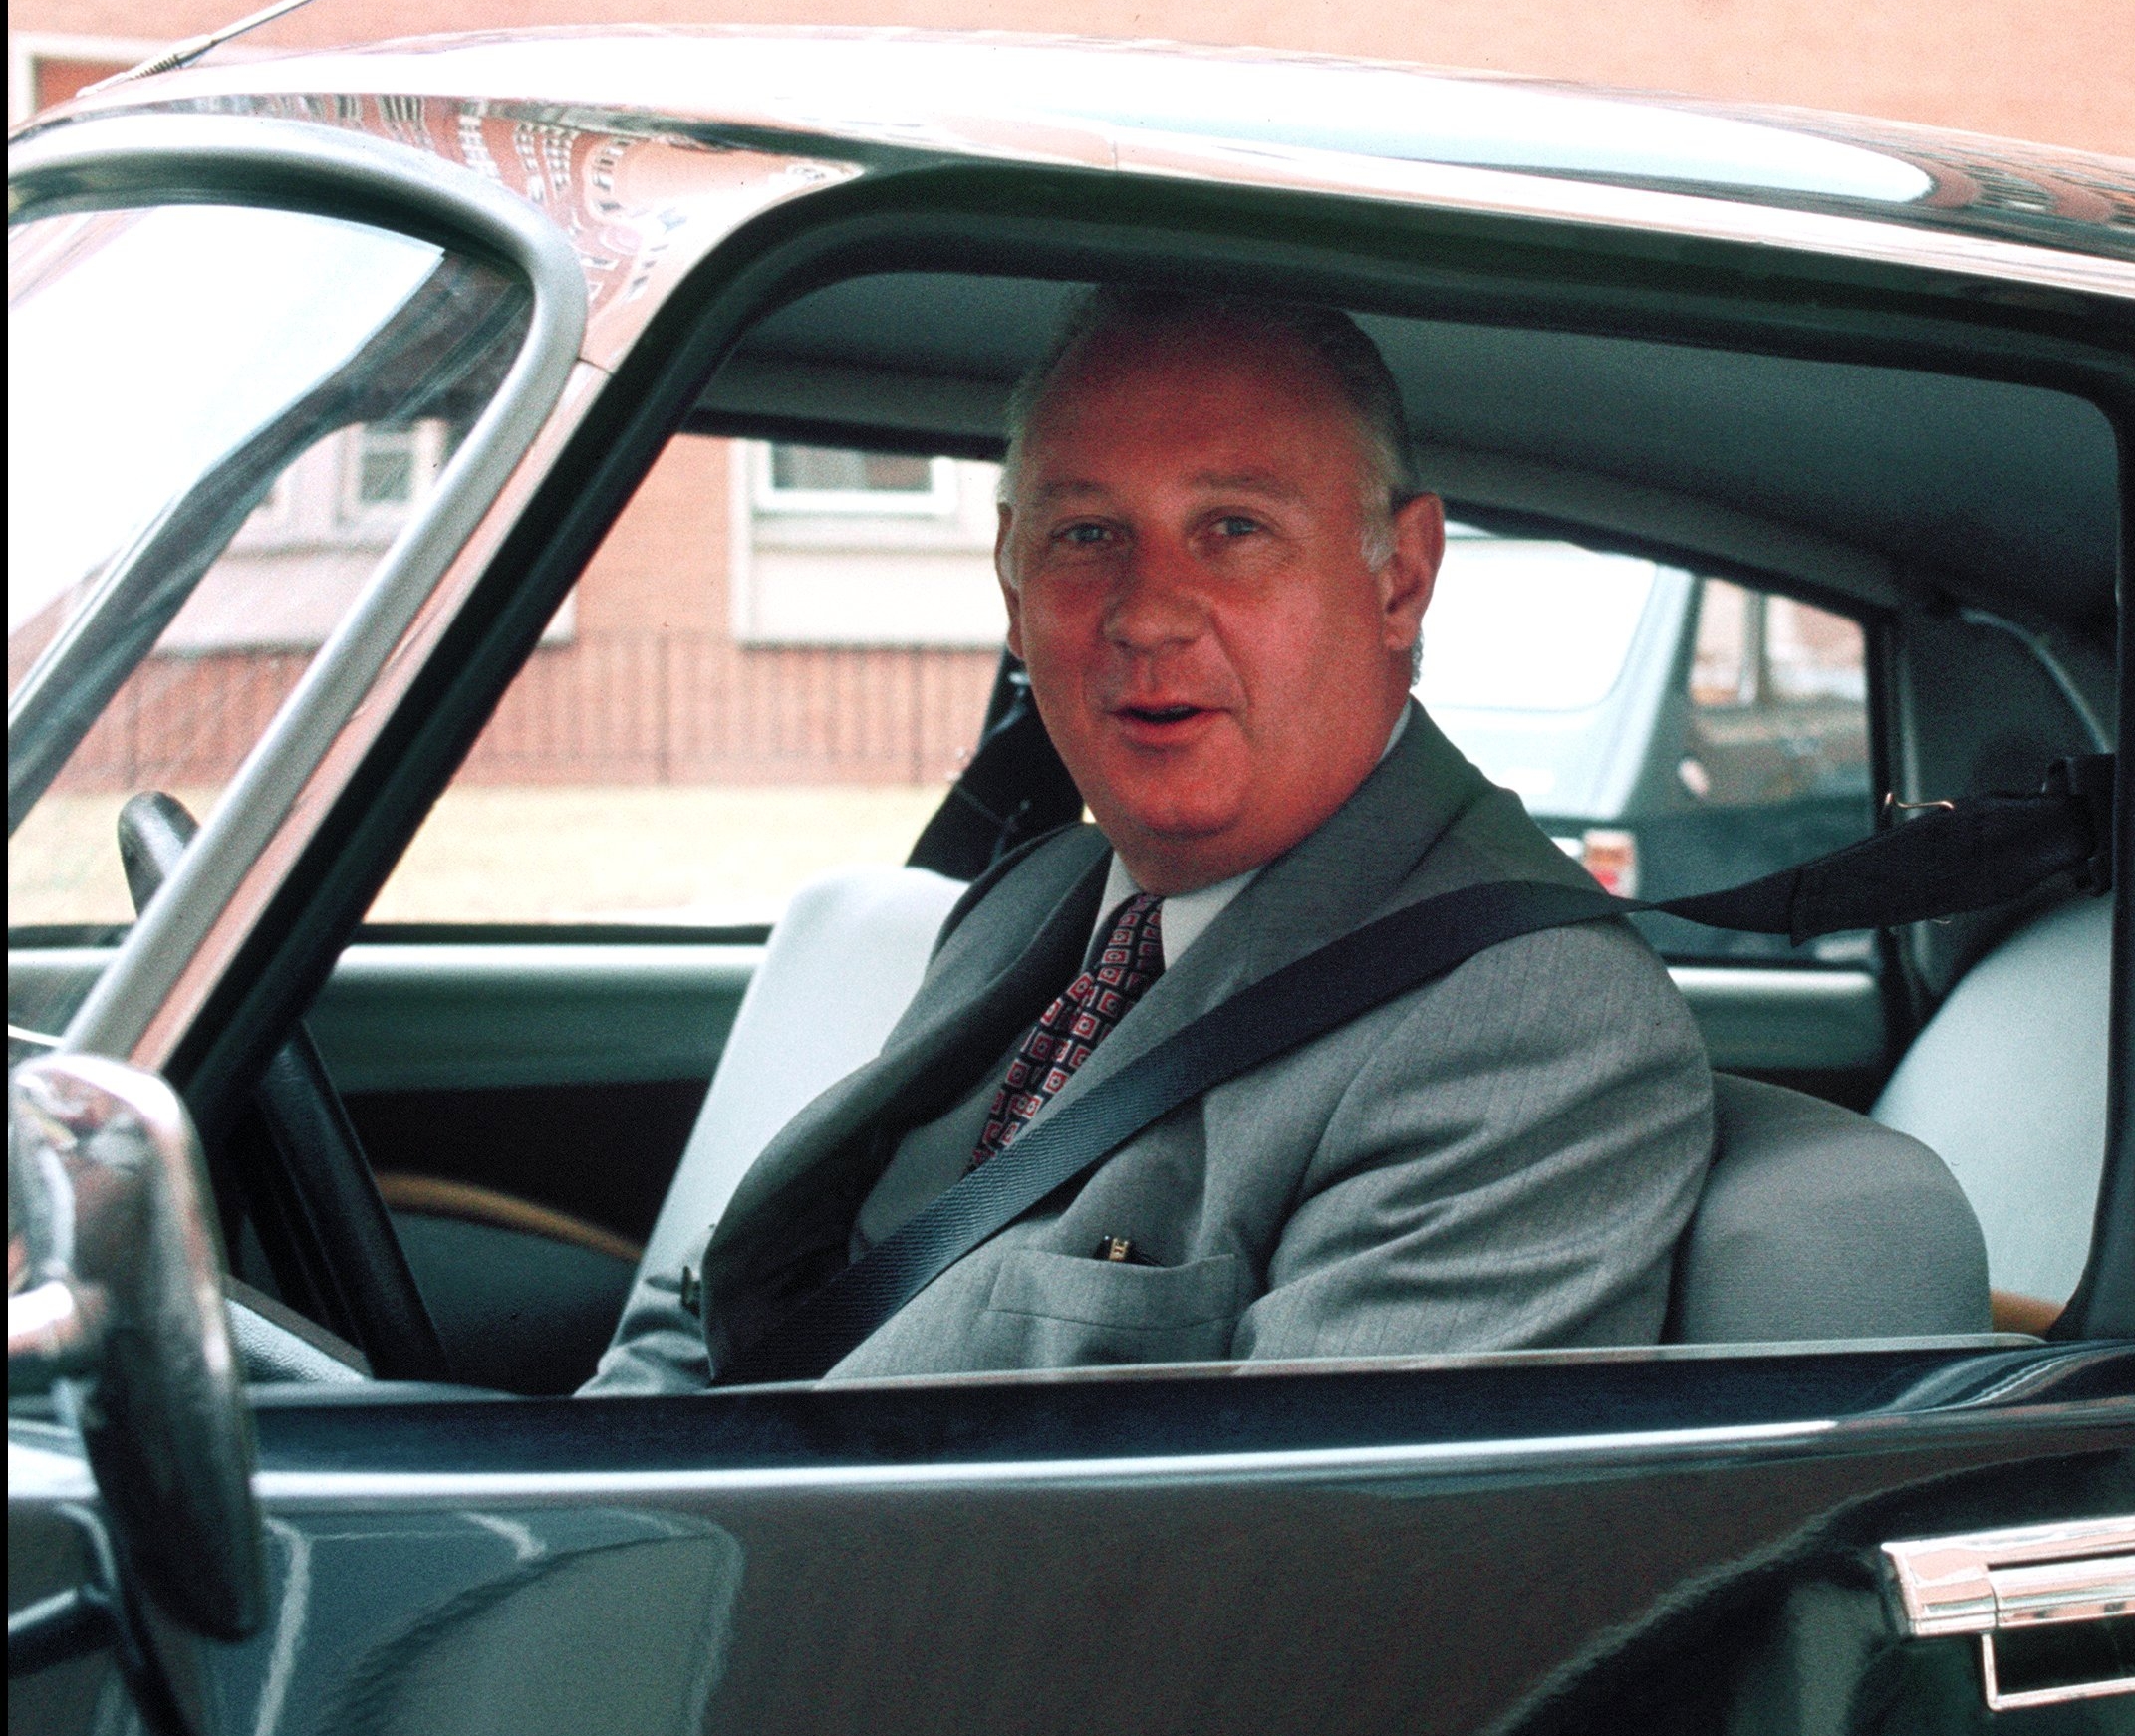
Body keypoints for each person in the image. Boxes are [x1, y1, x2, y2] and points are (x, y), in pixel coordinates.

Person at [587, 287, 1714, 1391]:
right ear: (1012, 585)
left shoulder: (1528, 1024)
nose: (1146, 614)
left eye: (1235, 529)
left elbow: (1303, 1511)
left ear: (1400, 580)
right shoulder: (1040, 896)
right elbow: (757, 1314)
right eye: (1087, 534)